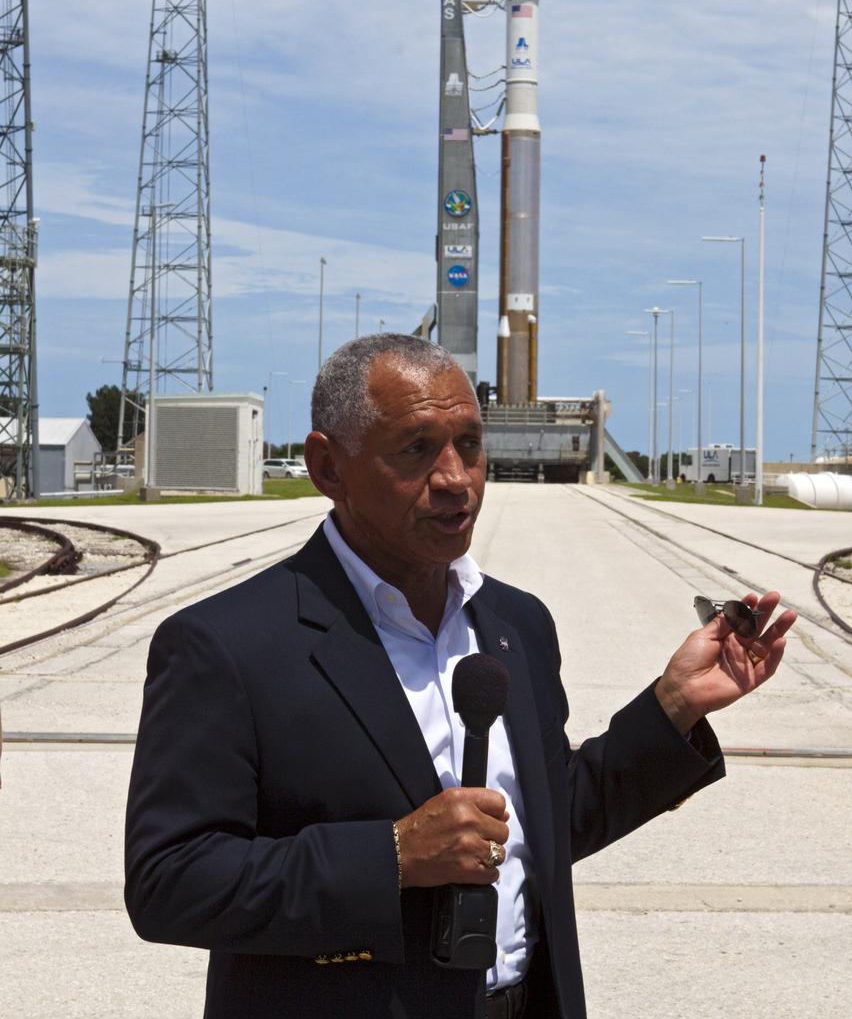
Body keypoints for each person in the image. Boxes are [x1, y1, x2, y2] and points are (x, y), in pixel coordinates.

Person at [125, 335, 797, 1019]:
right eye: (415, 449)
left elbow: (542, 821)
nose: (455, 477)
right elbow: (169, 883)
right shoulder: (224, 645)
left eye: (470, 445)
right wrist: (389, 856)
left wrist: (671, 706)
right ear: (328, 466)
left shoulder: (517, 623)